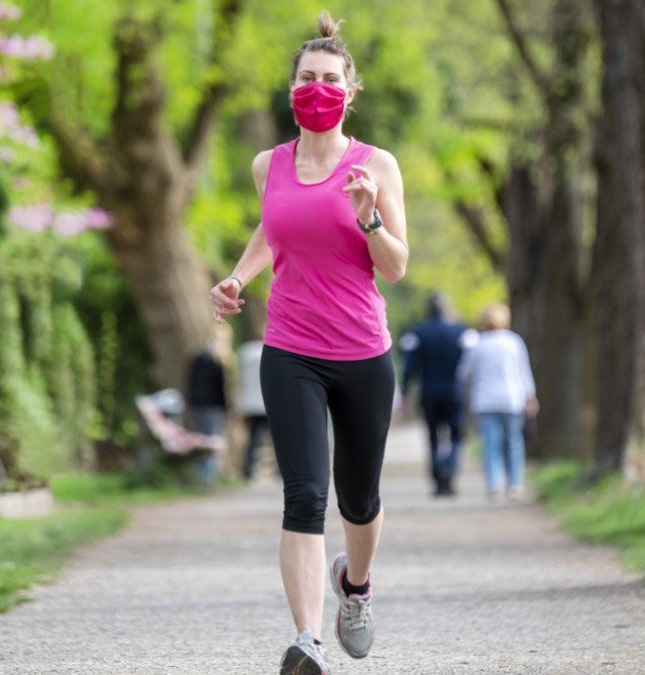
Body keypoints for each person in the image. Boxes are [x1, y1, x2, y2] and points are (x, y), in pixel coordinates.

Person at [208, 11, 409, 674]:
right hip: (290, 348)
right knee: (303, 495)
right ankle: (307, 640)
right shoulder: (268, 164)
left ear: (350, 92)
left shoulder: (375, 164)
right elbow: (273, 229)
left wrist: (369, 217)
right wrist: (236, 278)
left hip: (362, 352)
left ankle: (356, 584)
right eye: (306, 78)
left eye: (329, 78)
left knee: (359, 498)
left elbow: (397, 266)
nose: (316, 87)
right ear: (290, 86)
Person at [456, 303, 539, 503]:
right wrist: (530, 396)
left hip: (485, 401)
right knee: (514, 442)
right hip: (512, 399)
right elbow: (524, 371)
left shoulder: (478, 344)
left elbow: (463, 374)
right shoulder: (514, 341)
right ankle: (515, 484)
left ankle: (494, 485)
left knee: (491, 444)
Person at [397, 292, 476, 497]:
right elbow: (469, 364)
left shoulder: (418, 333)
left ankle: (438, 480)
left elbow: (410, 366)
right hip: (455, 392)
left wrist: (405, 391)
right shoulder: (461, 332)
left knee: (432, 437)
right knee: (456, 436)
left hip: (429, 392)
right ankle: (449, 471)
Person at [186, 334, 228, 484]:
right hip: (212, 406)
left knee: (200, 439)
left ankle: (201, 473)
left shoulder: (196, 360)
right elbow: (219, 388)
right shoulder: (215, 363)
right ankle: (209, 475)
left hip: (196, 405)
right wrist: (225, 408)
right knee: (212, 439)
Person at [237, 333, 269, 482]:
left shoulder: (244, 353)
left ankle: (248, 470)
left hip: (250, 404)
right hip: (266, 402)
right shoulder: (268, 351)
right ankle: (281, 470)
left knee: (254, 438)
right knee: (277, 438)